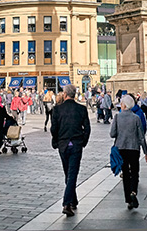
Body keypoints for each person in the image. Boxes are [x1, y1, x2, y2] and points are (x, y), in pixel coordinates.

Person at [49, 84, 91, 217]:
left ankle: (69, 202)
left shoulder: (57, 110)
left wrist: (56, 141)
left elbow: (53, 129)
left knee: (68, 173)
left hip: (63, 145)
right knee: (72, 174)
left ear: (65, 94)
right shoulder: (82, 109)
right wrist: (83, 141)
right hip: (76, 144)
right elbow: (87, 128)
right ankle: (70, 201)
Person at [111, 95, 147, 209]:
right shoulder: (136, 118)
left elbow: (112, 134)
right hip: (134, 149)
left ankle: (128, 200)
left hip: (121, 149)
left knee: (125, 173)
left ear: (124, 105)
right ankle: (133, 192)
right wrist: (146, 153)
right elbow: (141, 137)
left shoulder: (117, 117)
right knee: (134, 172)